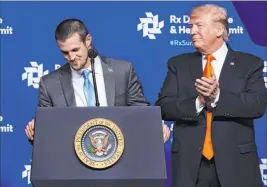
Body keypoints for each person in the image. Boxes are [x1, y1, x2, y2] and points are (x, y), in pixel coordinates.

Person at [156, 4, 267, 187]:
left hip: (236, 165)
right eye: (190, 26)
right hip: (190, 166)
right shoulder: (178, 64)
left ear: (219, 29)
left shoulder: (250, 64)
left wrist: (217, 96)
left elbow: (257, 105)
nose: (192, 31)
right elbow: (164, 106)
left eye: (198, 25)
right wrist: (198, 101)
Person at [25, 18, 170, 143]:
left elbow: (139, 109)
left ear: (88, 40)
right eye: (65, 52)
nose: (71, 57)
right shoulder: (50, 84)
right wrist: (36, 129)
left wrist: (153, 124)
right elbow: (47, 130)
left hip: (120, 157)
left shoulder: (122, 71)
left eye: (75, 50)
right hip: (72, 162)